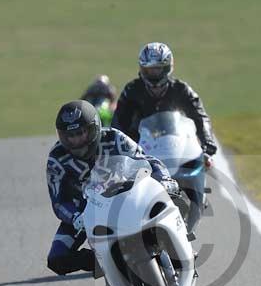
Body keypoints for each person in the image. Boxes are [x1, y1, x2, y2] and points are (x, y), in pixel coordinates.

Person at [46, 100, 179, 276]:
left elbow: (147, 161)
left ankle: (177, 247)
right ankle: (110, 263)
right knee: (57, 259)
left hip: (125, 195)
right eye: (70, 136)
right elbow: (58, 201)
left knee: (171, 199)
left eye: (80, 133)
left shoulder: (115, 138)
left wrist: (164, 180)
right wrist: (75, 217)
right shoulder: (57, 158)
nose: (76, 141)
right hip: (85, 210)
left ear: (93, 128)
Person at [112, 42, 218, 165]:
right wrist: (118, 148)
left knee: (206, 166)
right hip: (141, 153)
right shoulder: (131, 90)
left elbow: (200, 117)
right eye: (149, 70)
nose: (153, 74)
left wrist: (208, 143)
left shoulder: (182, 89)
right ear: (142, 69)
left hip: (177, 148)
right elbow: (118, 122)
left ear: (167, 67)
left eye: (157, 69)